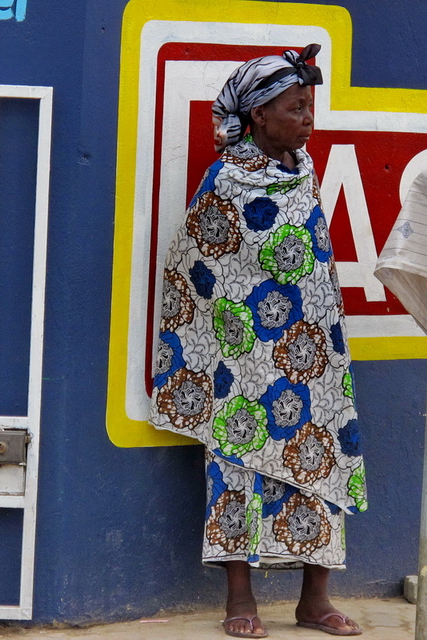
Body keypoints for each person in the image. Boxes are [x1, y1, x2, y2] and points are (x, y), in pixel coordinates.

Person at [149, 43, 367, 637]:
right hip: (243, 357)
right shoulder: (225, 180)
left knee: (322, 461)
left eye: (310, 106)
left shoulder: (307, 171)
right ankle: (239, 600)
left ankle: (314, 601)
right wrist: (225, 343)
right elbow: (195, 267)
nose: (308, 118)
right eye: (295, 108)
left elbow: (312, 260)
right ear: (258, 116)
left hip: (313, 354)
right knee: (237, 464)